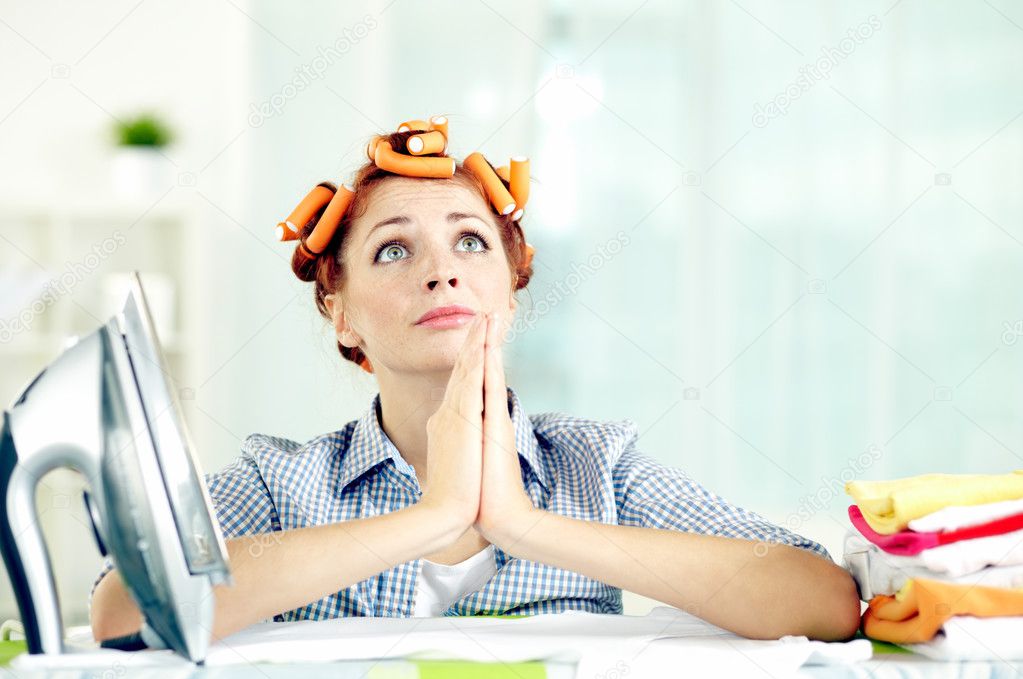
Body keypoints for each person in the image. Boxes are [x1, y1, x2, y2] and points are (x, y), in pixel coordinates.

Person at [89, 115, 860, 644]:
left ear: (510, 294)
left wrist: (522, 524)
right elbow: (124, 610)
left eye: (469, 243)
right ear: (341, 315)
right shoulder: (278, 481)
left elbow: (823, 601)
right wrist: (434, 516)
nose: (441, 273)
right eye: (395, 250)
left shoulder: (597, 467)